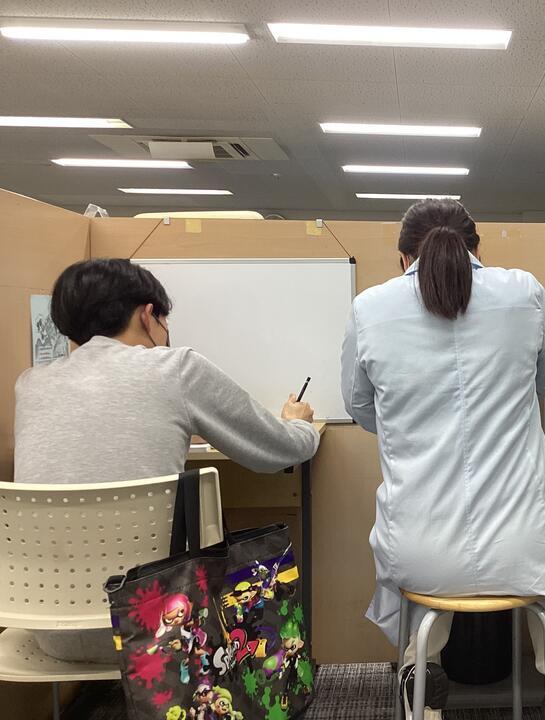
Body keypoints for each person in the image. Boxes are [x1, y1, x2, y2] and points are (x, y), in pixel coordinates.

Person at [340, 199, 545, 720]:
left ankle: (419, 673)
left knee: (427, 585)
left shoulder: (369, 309)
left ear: (403, 258)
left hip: (420, 547)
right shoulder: (524, 291)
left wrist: (408, 429)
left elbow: (361, 409)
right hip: (525, 543)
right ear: (477, 249)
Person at [14, 258, 320, 663]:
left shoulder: (30, 385)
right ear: (147, 315)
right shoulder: (176, 368)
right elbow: (279, 451)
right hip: (162, 631)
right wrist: (298, 424)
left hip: (50, 632)